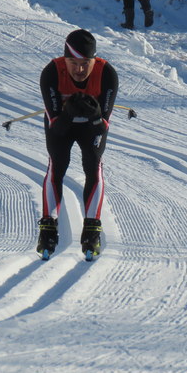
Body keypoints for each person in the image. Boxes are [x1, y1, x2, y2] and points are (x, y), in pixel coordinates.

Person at [37, 29, 119, 259]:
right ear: (65, 60)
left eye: (85, 64)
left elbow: (102, 126)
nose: (79, 70)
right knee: (57, 164)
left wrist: (95, 115)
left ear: (95, 60)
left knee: (93, 164)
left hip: (90, 126)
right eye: (73, 63)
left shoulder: (107, 74)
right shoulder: (52, 72)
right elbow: (56, 126)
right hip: (62, 124)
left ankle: (92, 229)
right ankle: (48, 228)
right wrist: (68, 113)